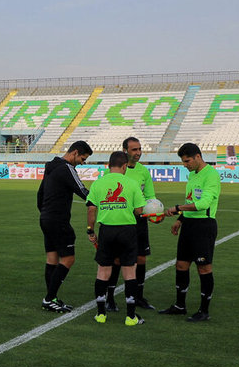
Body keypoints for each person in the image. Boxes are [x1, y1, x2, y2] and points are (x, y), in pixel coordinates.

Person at [160, 143, 222, 323]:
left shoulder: (211, 175)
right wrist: (180, 220)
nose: (184, 165)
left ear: (197, 157)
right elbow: (191, 201)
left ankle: (204, 310)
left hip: (204, 226)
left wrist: (177, 209)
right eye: (183, 162)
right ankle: (180, 305)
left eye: (187, 161)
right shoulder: (192, 175)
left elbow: (203, 204)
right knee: (181, 265)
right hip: (189, 226)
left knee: (203, 267)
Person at [87, 151, 147, 326]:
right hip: (127, 230)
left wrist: (91, 231)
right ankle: (131, 317)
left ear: (108, 165)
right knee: (129, 272)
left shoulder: (98, 183)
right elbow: (139, 211)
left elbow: (91, 209)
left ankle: (100, 314)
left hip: (106, 231)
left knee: (103, 271)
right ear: (124, 166)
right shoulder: (132, 183)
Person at [37, 140, 93, 312]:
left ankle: (51, 298)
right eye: (83, 159)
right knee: (68, 259)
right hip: (58, 220)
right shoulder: (67, 168)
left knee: (52, 258)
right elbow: (83, 191)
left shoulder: (51, 167)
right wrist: (103, 201)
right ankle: (48, 298)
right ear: (75, 153)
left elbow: (40, 194)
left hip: (46, 218)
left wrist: (45, 212)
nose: (83, 163)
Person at [105, 137, 158, 312]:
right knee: (118, 260)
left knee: (141, 258)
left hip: (140, 220)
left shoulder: (143, 171)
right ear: (125, 150)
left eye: (139, 149)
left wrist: (154, 213)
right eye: (134, 150)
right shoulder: (117, 170)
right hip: (121, 220)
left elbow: (150, 196)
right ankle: (110, 298)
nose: (138, 153)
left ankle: (138, 297)